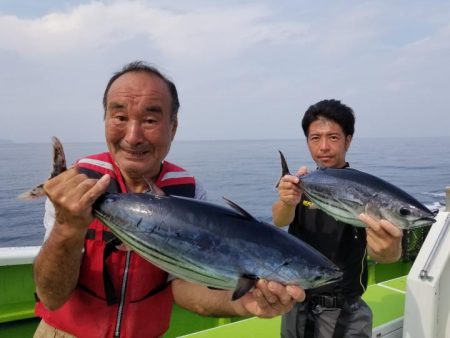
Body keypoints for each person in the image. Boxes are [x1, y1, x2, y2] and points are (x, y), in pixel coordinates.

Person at [33, 61, 305, 338]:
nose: (133, 136)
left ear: (173, 127)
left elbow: (183, 287)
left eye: (150, 120)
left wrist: (245, 304)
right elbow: (51, 297)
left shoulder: (189, 192)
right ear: (105, 120)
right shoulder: (75, 183)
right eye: (120, 117)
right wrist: (67, 228)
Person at [272, 99, 403, 338]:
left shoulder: (366, 191)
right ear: (307, 142)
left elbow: (385, 255)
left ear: (348, 140)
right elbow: (280, 221)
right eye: (315, 138)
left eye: (333, 137)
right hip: (295, 304)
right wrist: (286, 200)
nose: (323, 147)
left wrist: (389, 247)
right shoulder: (304, 181)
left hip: (344, 312)